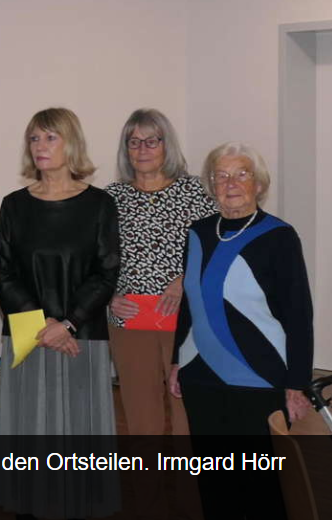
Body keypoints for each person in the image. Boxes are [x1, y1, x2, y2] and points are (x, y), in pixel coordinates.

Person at [0, 108, 120, 520]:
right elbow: (1, 272)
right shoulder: (14, 205)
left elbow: (106, 272)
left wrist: (67, 323)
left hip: (81, 337)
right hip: (28, 336)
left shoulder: (100, 204)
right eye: (34, 138)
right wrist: (41, 324)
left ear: (71, 143)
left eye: (50, 137)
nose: (40, 146)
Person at [170, 142, 313, 520]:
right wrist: (176, 361)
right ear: (211, 185)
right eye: (221, 175)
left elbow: (299, 314)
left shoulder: (279, 236)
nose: (230, 183)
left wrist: (296, 383)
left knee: (261, 484)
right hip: (200, 374)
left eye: (241, 174)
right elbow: (190, 303)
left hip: (259, 376)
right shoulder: (198, 233)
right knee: (214, 481)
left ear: (258, 184)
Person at [105, 110, 216, 437]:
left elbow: (218, 248)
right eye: (134, 142)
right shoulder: (111, 198)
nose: (142, 149)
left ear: (167, 144)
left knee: (189, 410)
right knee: (140, 413)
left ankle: (191, 473)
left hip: (186, 317)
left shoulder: (197, 192)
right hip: (129, 318)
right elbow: (93, 259)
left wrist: (185, 281)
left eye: (151, 141)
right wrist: (109, 296)